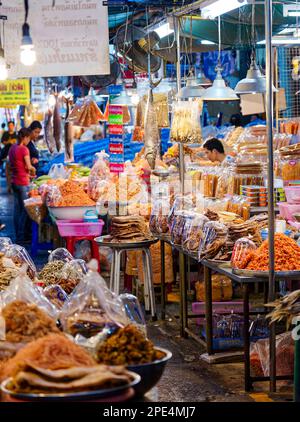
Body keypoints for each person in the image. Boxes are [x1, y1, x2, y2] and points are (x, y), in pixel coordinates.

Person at [9, 128, 36, 242]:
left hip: (14, 181)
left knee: (17, 210)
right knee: (25, 210)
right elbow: (29, 167)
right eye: (29, 138)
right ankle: (21, 237)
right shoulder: (24, 149)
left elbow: (15, 164)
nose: (29, 141)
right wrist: (33, 167)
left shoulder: (12, 148)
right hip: (22, 182)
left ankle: (17, 235)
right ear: (25, 137)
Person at [1, 121, 17, 193]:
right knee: (8, 171)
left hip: (15, 155)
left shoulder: (16, 134)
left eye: (11, 125)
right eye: (9, 125)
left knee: (14, 171)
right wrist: (9, 142)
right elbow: (2, 142)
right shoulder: (5, 134)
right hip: (6, 154)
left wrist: (14, 142)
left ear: (13, 126)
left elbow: (18, 142)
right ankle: (9, 186)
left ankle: (13, 185)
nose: (10, 127)